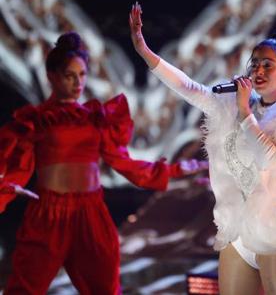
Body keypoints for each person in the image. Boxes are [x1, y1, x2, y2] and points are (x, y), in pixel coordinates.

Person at [129, 3, 276, 294]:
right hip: (236, 232)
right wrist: (145, 51)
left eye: (268, 64)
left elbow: (270, 159)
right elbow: (191, 88)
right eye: (254, 63)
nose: (258, 70)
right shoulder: (234, 104)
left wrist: (245, 114)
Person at [0, 32, 206, 294]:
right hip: (48, 215)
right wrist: (8, 185)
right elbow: (17, 164)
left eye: (82, 75)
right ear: (52, 76)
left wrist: (173, 170)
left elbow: (123, 162)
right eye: (69, 75)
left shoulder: (96, 118)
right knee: (24, 289)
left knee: (105, 289)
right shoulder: (37, 120)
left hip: (91, 214)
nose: (78, 83)